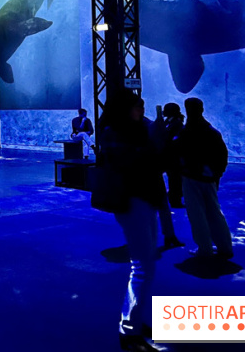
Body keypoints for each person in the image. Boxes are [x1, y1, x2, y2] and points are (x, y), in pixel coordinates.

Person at [97, 91, 165, 352]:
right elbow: (132, 162)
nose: (142, 111)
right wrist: (153, 140)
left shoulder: (135, 130)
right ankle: (129, 330)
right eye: (138, 107)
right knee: (143, 266)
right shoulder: (114, 132)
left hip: (144, 199)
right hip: (131, 201)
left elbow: (152, 160)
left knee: (146, 266)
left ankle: (135, 321)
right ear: (126, 109)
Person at [178, 97, 233, 259]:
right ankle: (225, 247)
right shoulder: (212, 132)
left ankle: (205, 248)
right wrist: (216, 174)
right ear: (201, 109)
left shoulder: (186, 131)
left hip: (191, 176)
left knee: (197, 214)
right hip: (209, 179)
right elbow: (222, 155)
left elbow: (180, 153)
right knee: (215, 212)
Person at [159, 103, 185, 208]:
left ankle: (175, 200)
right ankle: (174, 198)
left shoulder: (176, 124)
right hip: (170, 157)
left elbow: (173, 140)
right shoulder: (170, 122)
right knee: (174, 179)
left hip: (174, 158)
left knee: (175, 179)